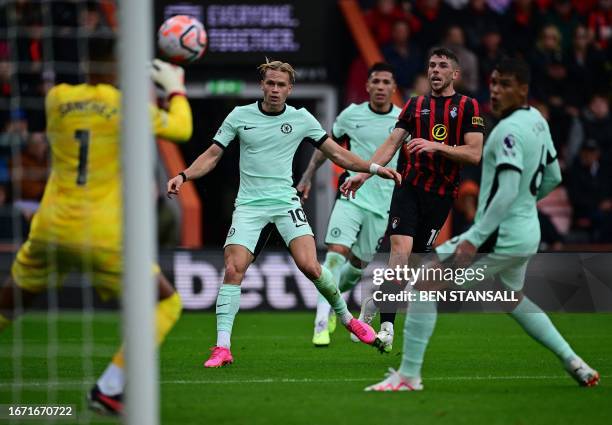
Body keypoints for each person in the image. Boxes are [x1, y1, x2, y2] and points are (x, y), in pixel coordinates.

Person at [364, 58, 600, 391]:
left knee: (423, 283)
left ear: (522, 89)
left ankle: (408, 376)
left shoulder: (506, 131)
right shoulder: (537, 120)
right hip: (525, 234)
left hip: (497, 237)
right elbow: (553, 176)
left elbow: (504, 192)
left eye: (505, 84)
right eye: (493, 82)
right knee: (511, 299)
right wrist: (522, 207)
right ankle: (575, 362)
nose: (496, 90)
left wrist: (474, 237)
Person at [0, 37, 193, 415]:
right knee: (167, 303)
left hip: (49, 228)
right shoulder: (127, 107)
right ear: (118, 69)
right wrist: (174, 89)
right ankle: (109, 388)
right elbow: (182, 129)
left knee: (9, 305)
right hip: (100, 234)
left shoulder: (57, 99)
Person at [166, 59, 401, 367]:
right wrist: (183, 175)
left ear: (290, 88)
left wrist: (373, 168)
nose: (275, 89)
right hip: (249, 206)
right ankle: (222, 347)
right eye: (270, 83)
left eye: (281, 85)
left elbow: (339, 154)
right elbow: (212, 155)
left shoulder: (302, 119)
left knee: (311, 267)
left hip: (285, 204)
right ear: (262, 85)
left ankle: (346, 319)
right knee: (233, 268)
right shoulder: (240, 115)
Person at [341, 47, 484, 352]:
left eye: (442, 65)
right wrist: (365, 174)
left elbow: (473, 153)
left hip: (442, 195)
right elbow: (391, 144)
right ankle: (388, 327)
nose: (435, 70)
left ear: (455, 74)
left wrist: (436, 146)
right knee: (400, 253)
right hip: (409, 189)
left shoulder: (469, 106)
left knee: (410, 265)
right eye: (431, 65)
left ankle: (376, 301)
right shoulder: (414, 105)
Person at [296, 62, 402, 348]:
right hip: (351, 195)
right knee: (336, 255)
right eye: (375, 82)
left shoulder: (403, 120)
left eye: (385, 82)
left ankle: (332, 302)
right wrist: (307, 177)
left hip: (382, 204)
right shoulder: (351, 115)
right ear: (367, 86)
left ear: (393, 87)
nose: (380, 87)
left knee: (357, 264)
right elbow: (326, 148)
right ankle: (320, 322)